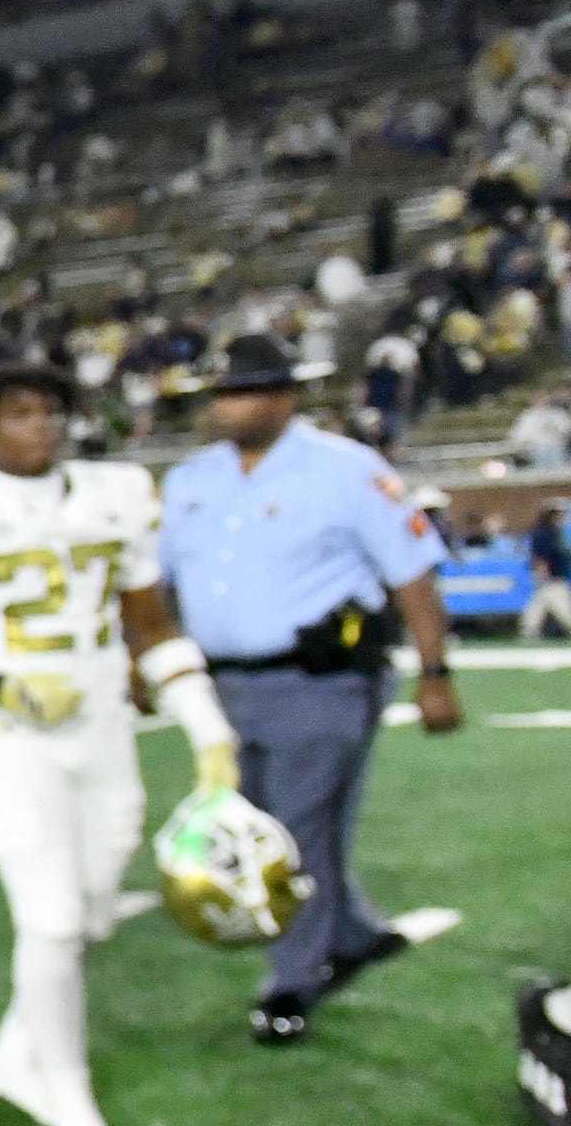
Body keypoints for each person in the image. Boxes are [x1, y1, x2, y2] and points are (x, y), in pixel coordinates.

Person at [0, 366, 234, 1126]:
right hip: (14, 736)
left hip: (104, 724)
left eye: (50, 411)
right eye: (18, 414)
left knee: (96, 910)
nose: (39, 427)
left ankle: (14, 1051)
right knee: (50, 918)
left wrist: (207, 725)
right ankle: (74, 1112)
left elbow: (150, 624)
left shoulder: (117, 493)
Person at [151, 332, 459, 1045]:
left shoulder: (349, 471)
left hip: (322, 681)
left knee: (295, 831)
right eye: (224, 393)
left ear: (287, 396)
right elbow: (160, 584)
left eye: (248, 390)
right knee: (261, 821)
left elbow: (411, 573)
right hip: (223, 685)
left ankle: (291, 980)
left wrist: (435, 673)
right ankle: (353, 931)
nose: (232, 406)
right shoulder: (190, 480)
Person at [520, 501, 571, 641]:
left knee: (538, 603)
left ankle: (529, 631)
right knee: (562, 604)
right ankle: (529, 630)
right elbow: (541, 556)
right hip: (551, 575)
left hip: (553, 574)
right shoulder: (545, 533)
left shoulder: (553, 531)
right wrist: (543, 573)